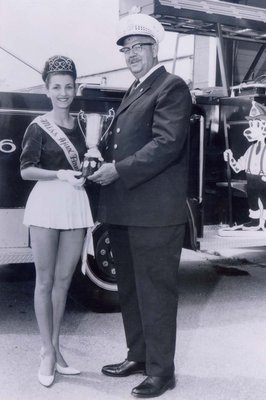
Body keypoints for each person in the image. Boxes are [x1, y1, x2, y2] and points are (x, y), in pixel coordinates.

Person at [88, 13, 192, 398]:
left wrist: (118, 170)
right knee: (130, 289)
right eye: (126, 49)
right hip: (125, 210)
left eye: (138, 48)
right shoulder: (136, 88)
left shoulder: (171, 86)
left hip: (153, 213)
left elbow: (166, 145)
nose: (131, 55)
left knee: (156, 292)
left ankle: (162, 371)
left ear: (154, 49)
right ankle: (139, 355)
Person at [20, 55, 94, 387]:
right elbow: (25, 170)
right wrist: (61, 173)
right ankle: (47, 352)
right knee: (45, 282)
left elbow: (87, 164)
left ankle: (57, 347)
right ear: (47, 90)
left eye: (68, 86)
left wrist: (90, 164)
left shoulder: (82, 125)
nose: (63, 92)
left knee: (64, 283)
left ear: (75, 88)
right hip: (47, 204)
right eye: (56, 87)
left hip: (75, 204)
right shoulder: (37, 126)